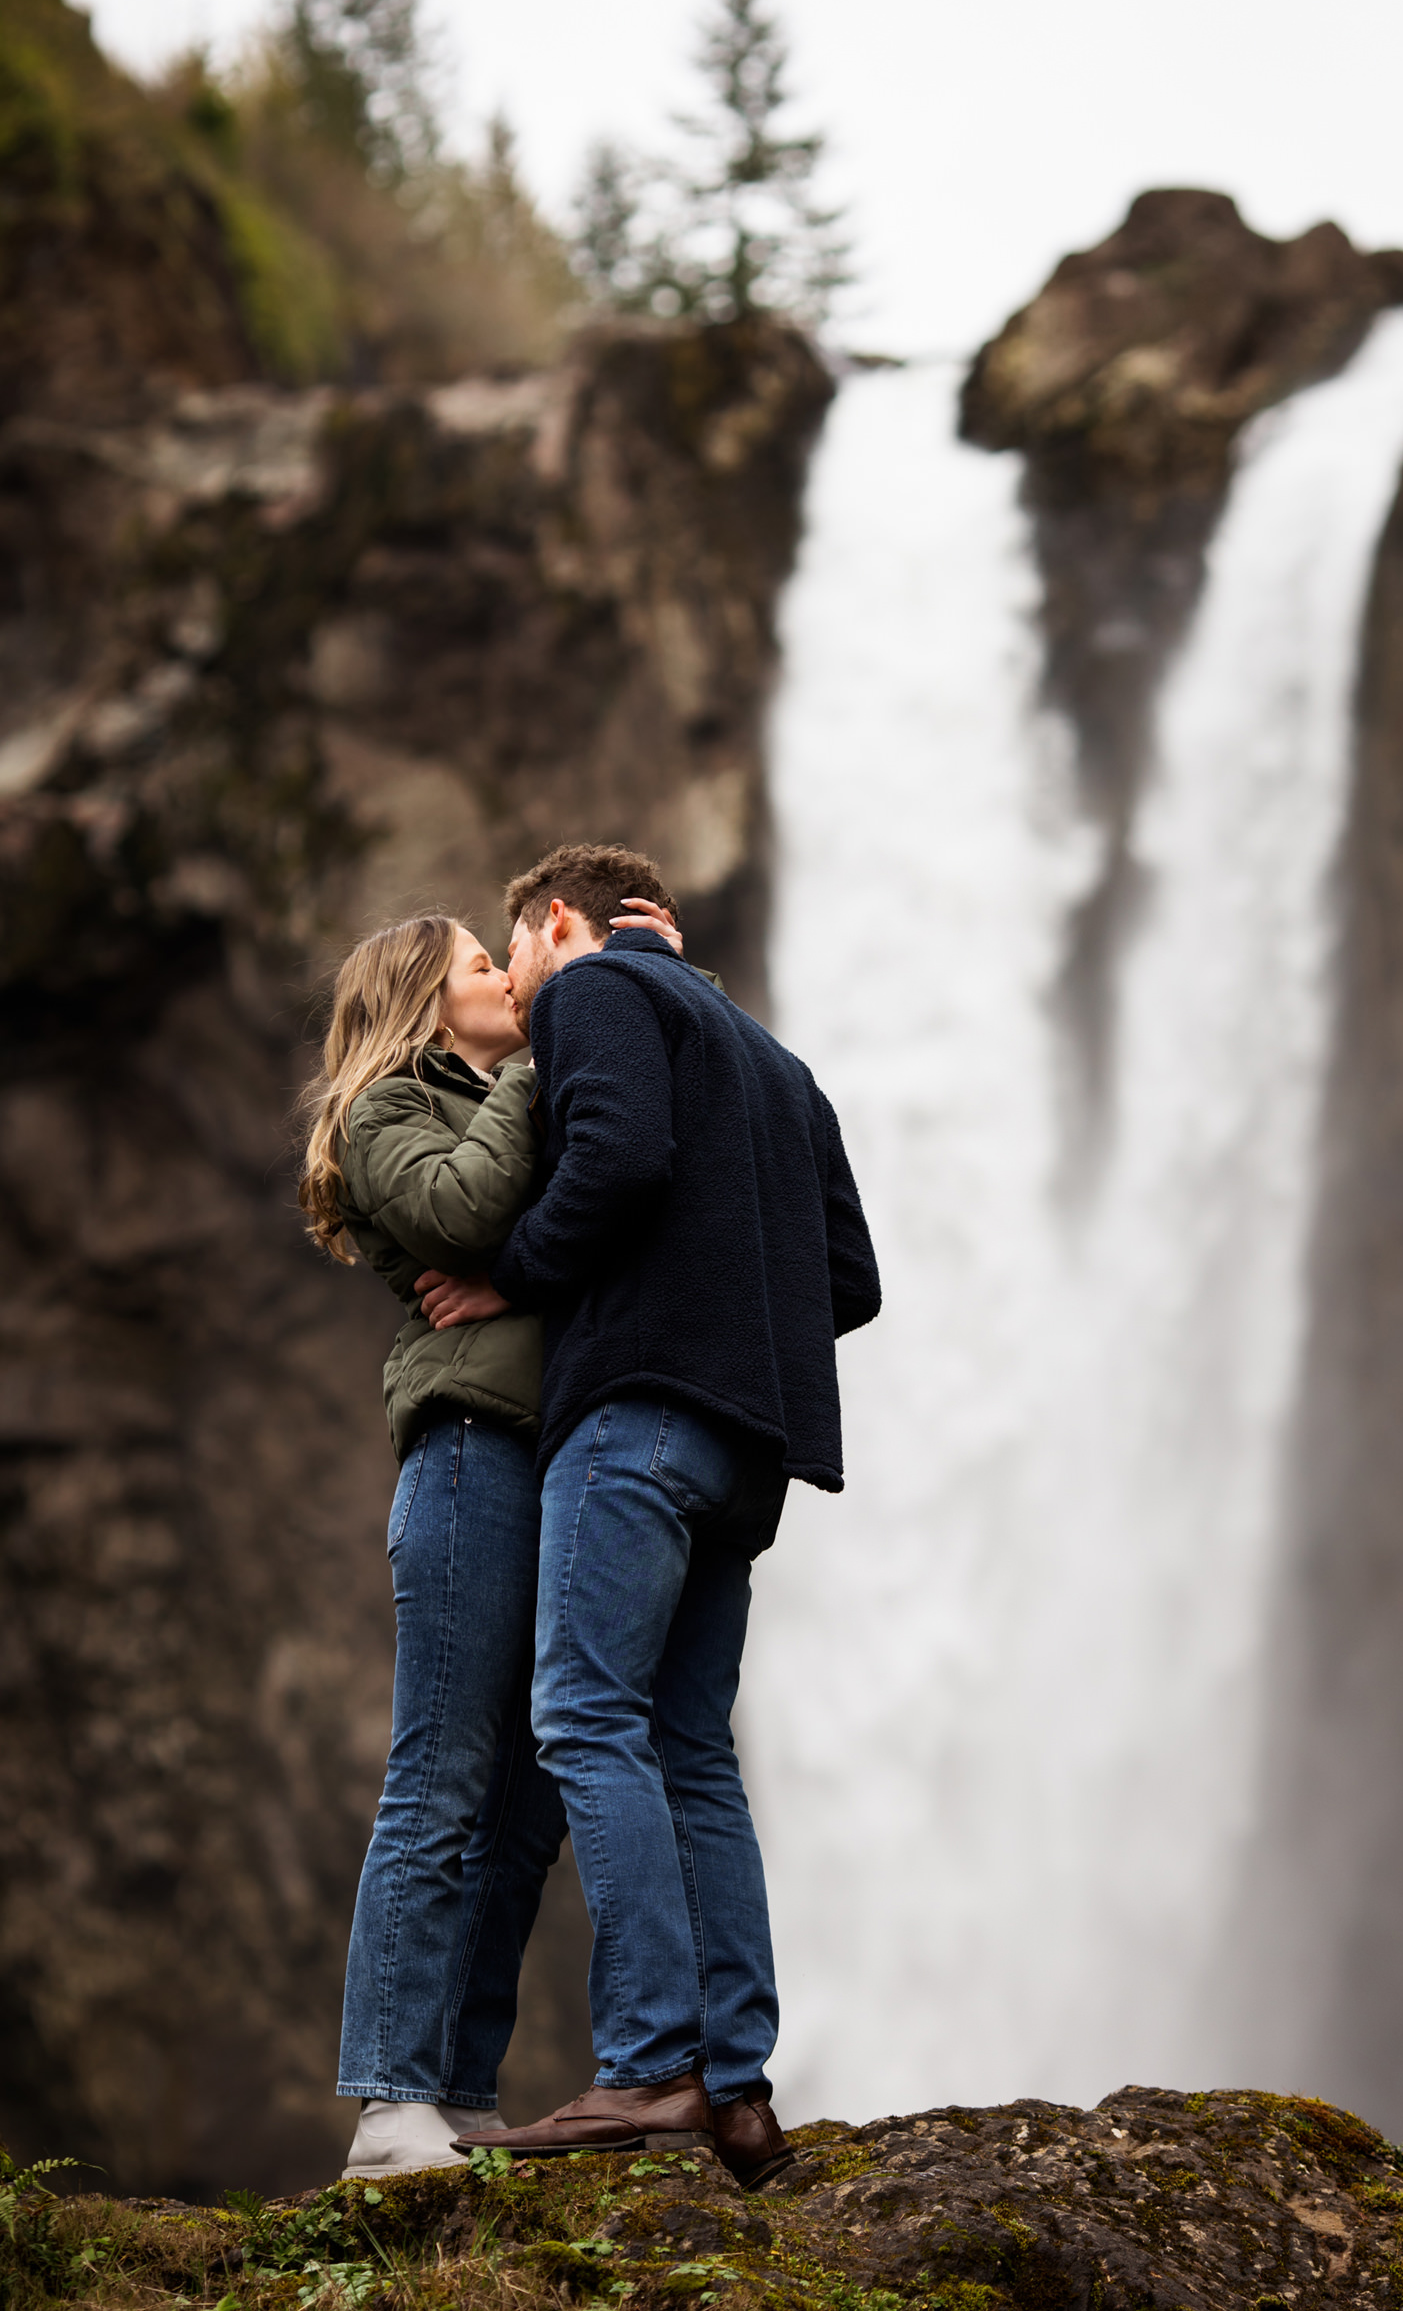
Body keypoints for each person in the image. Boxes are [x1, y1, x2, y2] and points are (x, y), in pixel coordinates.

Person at [418, 843, 880, 2191]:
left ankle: (650, 2065)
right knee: (692, 1747)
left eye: (515, 950)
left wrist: (514, 1275)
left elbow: (615, 1153)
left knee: (582, 1713)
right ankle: (737, 2087)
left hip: (635, 1415)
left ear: (563, 920)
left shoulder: (596, 992)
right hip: (753, 1452)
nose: (513, 984)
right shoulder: (774, 1060)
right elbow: (846, 1276)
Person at [297, 897, 679, 2178]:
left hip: (557, 1456)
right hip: (469, 1453)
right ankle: (387, 2101)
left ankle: (456, 2090)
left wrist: (646, 986)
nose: (507, 980)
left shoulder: (523, 1089)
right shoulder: (387, 1112)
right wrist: (532, 1071)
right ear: (420, 1000)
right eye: (480, 964)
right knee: (441, 1777)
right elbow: (461, 1213)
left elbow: (613, 1202)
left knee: (523, 1810)